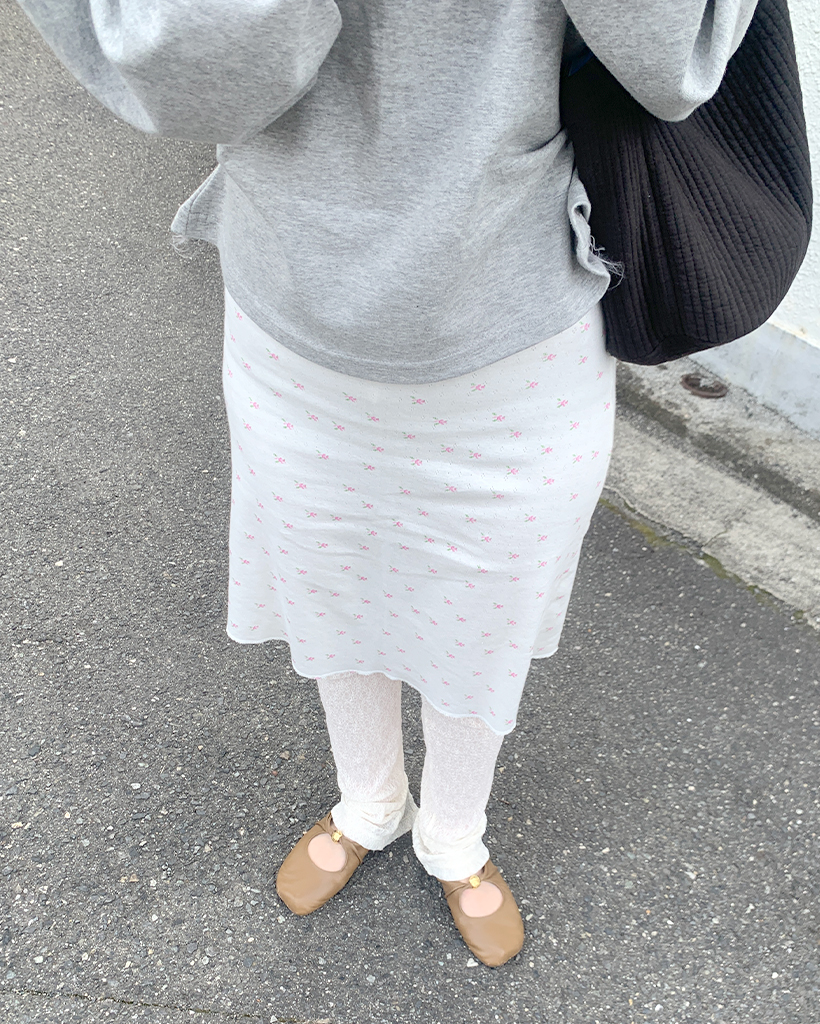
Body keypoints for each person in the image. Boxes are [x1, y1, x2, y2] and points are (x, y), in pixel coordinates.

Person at [17, 0, 758, 968]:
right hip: (296, 307)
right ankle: (368, 798)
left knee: (482, 616)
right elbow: (184, 73)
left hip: (515, 315)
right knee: (330, 581)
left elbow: (674, 59)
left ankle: (454, 832)